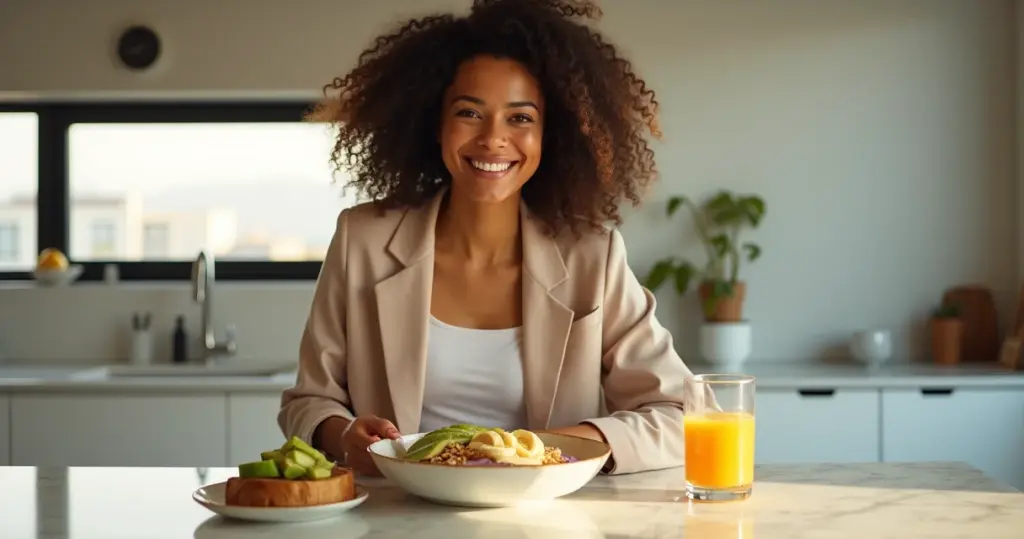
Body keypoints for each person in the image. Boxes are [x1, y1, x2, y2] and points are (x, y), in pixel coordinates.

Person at [278, 0, 694, 477]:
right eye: (470, 113)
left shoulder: (591, 257)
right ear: (435, 124)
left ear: (549, 135)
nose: (494, 139)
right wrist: (343, 434)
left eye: (520, 118)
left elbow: (682, 416)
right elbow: (309, 400)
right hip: (395, 518)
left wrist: (557, 445)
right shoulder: (363, 241)